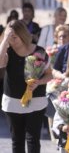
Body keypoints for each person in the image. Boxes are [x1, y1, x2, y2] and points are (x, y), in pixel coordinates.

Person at [0, 20, 52, 153]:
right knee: (17, 141)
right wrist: (5, 40)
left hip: (36, 101)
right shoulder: (8, 51)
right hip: (13, 103)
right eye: (9, 37)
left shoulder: (39, 51)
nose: (12, 40)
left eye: (14, 37)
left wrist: (39, 82)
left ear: (22, 34)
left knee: (33, 139)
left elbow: (49, 75)